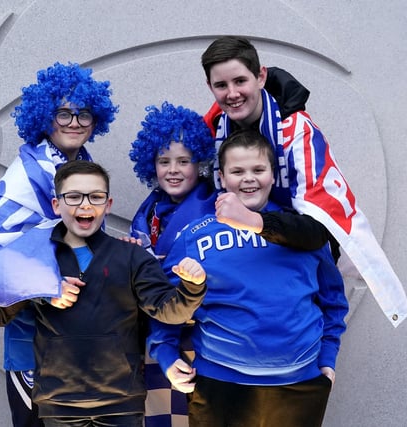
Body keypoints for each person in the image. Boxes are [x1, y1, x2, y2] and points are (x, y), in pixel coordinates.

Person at [0, 160, 208, 427]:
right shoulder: (34, 258)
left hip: (121, 404)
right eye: (73, 196)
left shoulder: (131, 255)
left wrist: (191, 287)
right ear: (56, 205)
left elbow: (169, 310)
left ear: (107, 206)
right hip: (58, 405)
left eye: (95, 197)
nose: (85, 204)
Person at [128, 102, 333, 427]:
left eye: (184, 160)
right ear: (222, 177)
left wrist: (328, 360)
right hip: (213, 377)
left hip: (299, 380)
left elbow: (333, 299)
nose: (248, 179)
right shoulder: (173, 226)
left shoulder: (302, 230)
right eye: (164, 161)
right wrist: (166, 354)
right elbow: (163, 303)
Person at [200, 36, 407, 326]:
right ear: (210, 87)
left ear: (261, 77)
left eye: (240, 81)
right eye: (221, 85)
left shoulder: (298, 133)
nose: (232, 93)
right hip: (241, 273)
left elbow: (318, 233)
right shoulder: (212, 129)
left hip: (298, 276)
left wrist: (251, 220)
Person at [0, 61, 118, 427]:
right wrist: (47, 289)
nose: (75, 121)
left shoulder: (77, 165)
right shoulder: (28, 176)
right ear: (45, 117)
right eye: (63, 112)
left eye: (84, 113)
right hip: (34, 348)